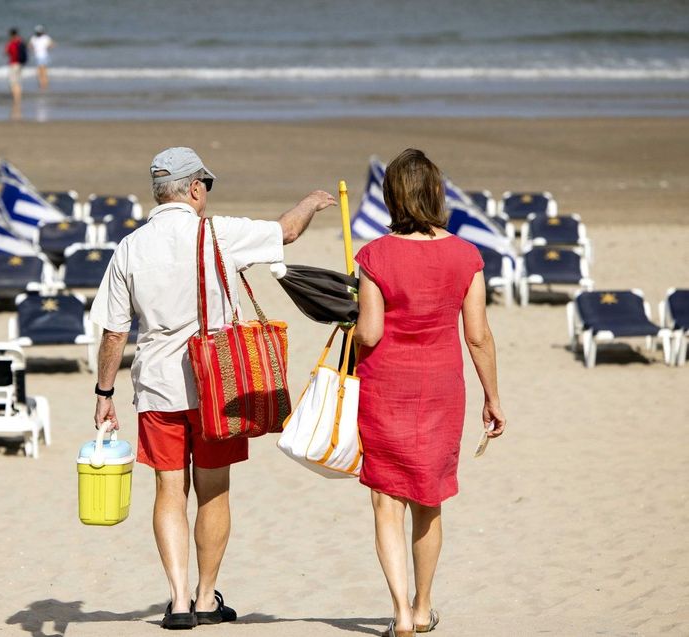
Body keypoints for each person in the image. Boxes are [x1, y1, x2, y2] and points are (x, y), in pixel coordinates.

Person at [91, 147, 336, 630]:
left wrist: (104, 396)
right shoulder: (218, 233)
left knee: (168, 491)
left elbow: (114, 332)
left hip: (158, 388)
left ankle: (178, 600)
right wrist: (310, 202)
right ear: (195, 189)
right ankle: (206, 597)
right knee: (214, 492)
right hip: (218, 385)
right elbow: (285, 232)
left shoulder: (130, 247)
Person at [352, 148, 507, 637]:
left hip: (386, 387)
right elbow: (478, 334)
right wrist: (493, 397)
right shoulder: (466, 255)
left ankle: (398, 613)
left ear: (392, 196)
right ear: (436, 193)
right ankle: (423, 608)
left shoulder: (375, 254)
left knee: (386, 502)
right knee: (429, 499)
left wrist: (349, 324)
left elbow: (371, 333)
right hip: (442, 389)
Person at [28, 25, 54, 91]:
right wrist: (47, 48)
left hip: (40, 55)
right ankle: (44, 85)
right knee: (43, 71)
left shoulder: (34, 38)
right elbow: (52, 45)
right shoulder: (45, 37)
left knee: (41, 71)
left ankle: (43, 85)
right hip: (43, 55)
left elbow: (29, 46)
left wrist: (34, 49)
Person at [4, 27, 26, 105]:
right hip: (20, 64)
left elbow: (6, 52)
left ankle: (15, 100)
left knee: (13, 83)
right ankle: (18, 99)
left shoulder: (11, 43)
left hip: (13, 64)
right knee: (19, 82)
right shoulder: (21, 41)